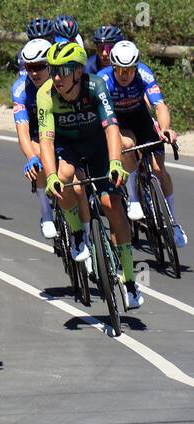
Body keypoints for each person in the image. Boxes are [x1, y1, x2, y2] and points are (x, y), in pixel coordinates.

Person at [37, 42, 142, 308]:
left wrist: (116, 163)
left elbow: (111, 128)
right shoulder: (45, 94)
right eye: (53, 70)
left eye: (63, 70)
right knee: (62, 177)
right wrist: (50, 177)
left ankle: (130, 280)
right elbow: (46, 141)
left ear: (79, 72)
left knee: (111, 204)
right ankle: (77, 232)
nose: (56, 77)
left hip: (97, 145)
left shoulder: (96, 86)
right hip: (67, 145)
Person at [101, 41, 185, 246]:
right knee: (128, 145)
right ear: (113, 67)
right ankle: (134, 199)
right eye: (120, 70)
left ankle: (173, 223)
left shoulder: (144, 74)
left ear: (136, 67)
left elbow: (159, 105)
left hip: (141, 119)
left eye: (129, 70)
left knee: (158, 168)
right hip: (119, 123)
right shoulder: (104, 80)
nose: (124, 74)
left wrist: (165, 128)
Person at [12, 38, 57, 240]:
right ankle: (46, 213)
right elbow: (22, 130)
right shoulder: (20, 89)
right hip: (36, 135)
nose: (34, 73)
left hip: (60, 130)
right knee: (39, 158)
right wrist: (31, 156)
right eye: (30, 67)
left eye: (39, 66)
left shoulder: (60, 81)